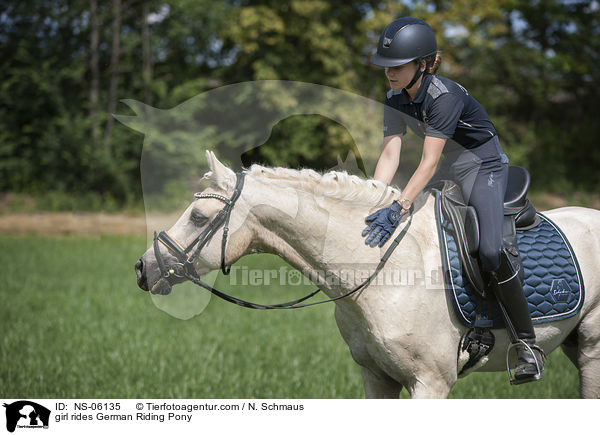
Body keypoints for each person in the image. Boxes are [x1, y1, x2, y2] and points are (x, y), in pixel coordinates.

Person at [361, 17, 544, 383]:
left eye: (398, 67)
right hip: (449, 163)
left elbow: (427, 163)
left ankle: (527, 345)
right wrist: (372, 201)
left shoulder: (444, 98)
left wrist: (399, 206)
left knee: (490, 251)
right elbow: (390, 157)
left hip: (483, 164)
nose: (390, 75)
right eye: (386, 68)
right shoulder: (394, 98)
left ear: (424, 65)